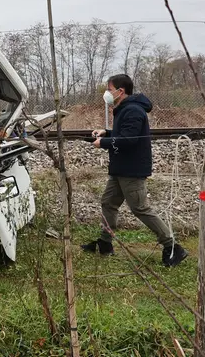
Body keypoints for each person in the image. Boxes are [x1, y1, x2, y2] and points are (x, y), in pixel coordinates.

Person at [82, 74, 188, 267]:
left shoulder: (133, 111)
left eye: (109, 89)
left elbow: (129, 141)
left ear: (120, 91)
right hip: (121, 168)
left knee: (140, 208)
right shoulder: (124, 109)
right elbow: (124, 134)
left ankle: (172, 247)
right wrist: (107, 133)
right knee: (108, 202)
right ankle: (105, 243)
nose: (107, 93)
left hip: (131, 170)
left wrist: (103, 142)